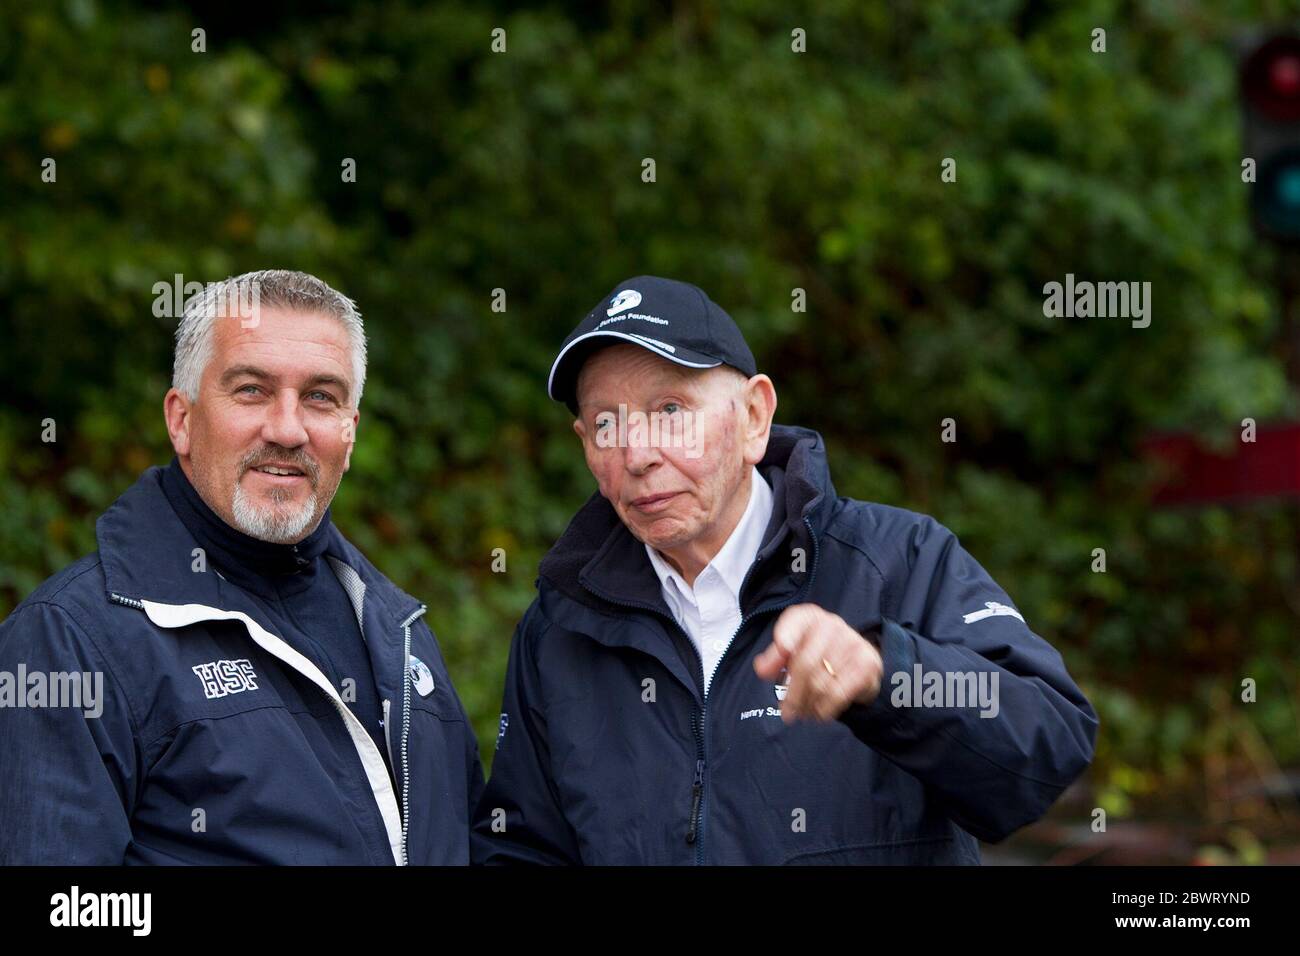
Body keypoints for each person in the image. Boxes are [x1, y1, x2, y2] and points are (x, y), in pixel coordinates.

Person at [472, 275, 1097, 864]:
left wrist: (888, 675)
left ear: (753, 417)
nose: (637, 454)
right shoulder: (560, 627)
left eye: (671, 409)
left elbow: (1049, 744)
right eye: (606, 424)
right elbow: (523, 849)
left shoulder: (900, 562)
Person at [0, 269, 482, 864]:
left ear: (349, 433)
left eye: (320, 397)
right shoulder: (70, 641)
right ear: (181, 419)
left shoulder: (400, 634)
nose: (287, 429)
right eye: (251, 389)